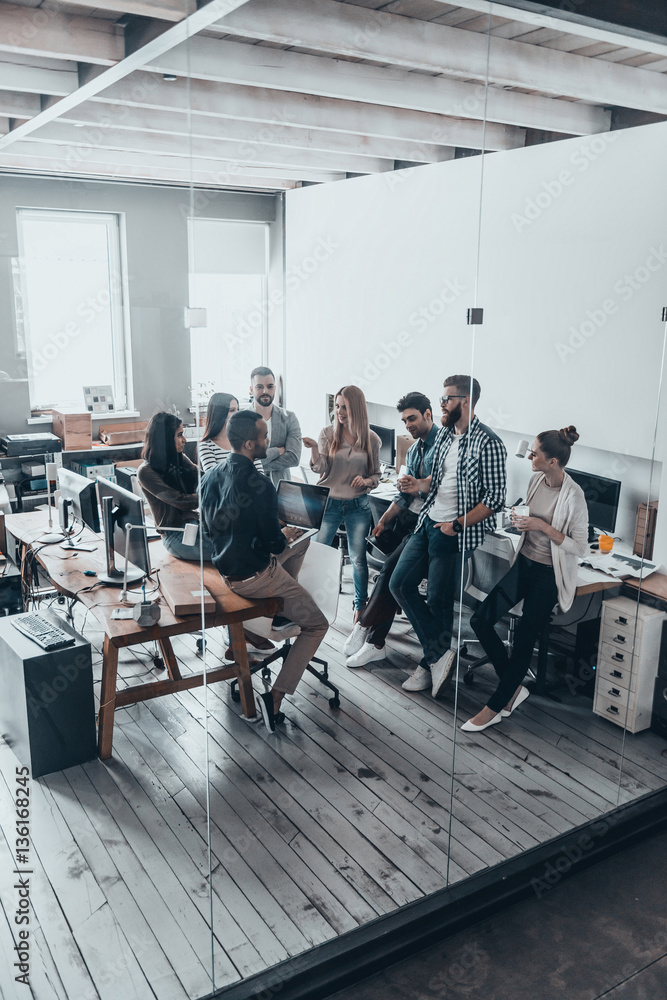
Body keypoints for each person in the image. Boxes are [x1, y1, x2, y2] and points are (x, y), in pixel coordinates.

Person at [200, 409, 328, 732]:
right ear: (248, 445)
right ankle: (276, 697)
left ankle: (283, 605)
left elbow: (207, 531)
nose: (268, 441)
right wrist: (281, 533)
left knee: (301, 542)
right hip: (256, 578)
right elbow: (273, 544)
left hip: (225, 571)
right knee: (317, 625)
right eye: (263, 436)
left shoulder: (210, 477)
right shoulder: (260, 486)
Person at [462, 426, 588, 733]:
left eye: (534, 454)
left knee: (523, 642)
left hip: (547, 576)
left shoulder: (574, 496)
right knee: (481, 620)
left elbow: (580, 548)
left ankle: (495, 707)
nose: (529, 457)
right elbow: (528, 522)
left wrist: (541, 526)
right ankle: (514, 687)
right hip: (524, 566)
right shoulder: (535, 480)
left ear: (552, 462)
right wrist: (520, 522)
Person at [389, 376, 507, 697]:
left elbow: (495, 499)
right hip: (428, 521)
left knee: (438, 601)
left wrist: (457, 524)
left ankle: (430, 665)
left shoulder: (489, 443)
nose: (441, 404)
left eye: (447, 399)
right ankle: (438, 657)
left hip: (454, 531)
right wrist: (418, 484)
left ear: (465, 401)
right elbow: (437, 480)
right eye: (442, 399)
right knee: (399, 584)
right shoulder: (444, 436)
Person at [344, 392, 438, 667]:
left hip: (426, 526)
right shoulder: (415, 449)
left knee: (389, 571)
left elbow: (441, 491)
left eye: (412, 418)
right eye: (404, 420)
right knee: (389, 576)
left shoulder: (442, 448)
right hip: (407, 520)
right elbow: (404, 495)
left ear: (428, 414)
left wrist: (417, 486)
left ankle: (365, 627)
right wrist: (385, 519)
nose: (408, 425)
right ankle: (375, 642)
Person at [304, 386, 381, 618]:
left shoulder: (371, 439)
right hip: (329, 503)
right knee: (317, 554)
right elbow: (320, 468)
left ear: (356, 408)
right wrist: (314, 449)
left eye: (345, 407)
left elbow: (376, 475)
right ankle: (309, 603)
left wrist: (366, 481)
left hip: (358, 505)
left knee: (358, 559)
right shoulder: (328, 434)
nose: (339, 411)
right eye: (337, 406)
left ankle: (360, 607)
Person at [138, 412, 215, 561]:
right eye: (179, 435)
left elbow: (205, 479)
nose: (184, 440)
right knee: (227, 550)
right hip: (175, 535)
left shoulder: (179, 458)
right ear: (165, 439)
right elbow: (181, 501)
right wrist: (210, 494)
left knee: (238, 538)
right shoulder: (146, 472)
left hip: (196, 523)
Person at [249, 366, 302, 486]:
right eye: (259, 387)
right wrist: (278, 451)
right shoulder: (241, 419)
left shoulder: (289, 418)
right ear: (251, 390)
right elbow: (244, 459)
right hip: (249, 488)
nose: (265, 391)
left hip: (280, 488)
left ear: (275, 388)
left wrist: (256, 464)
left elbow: (293, 458)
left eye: (270, 386)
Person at [198, 392, 238, 472]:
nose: (237, 413)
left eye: (238, 409)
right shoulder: (206, 446)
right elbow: (213, 477)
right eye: (232, 410)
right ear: (219, 414)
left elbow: (260, 474)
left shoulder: (245, 441)